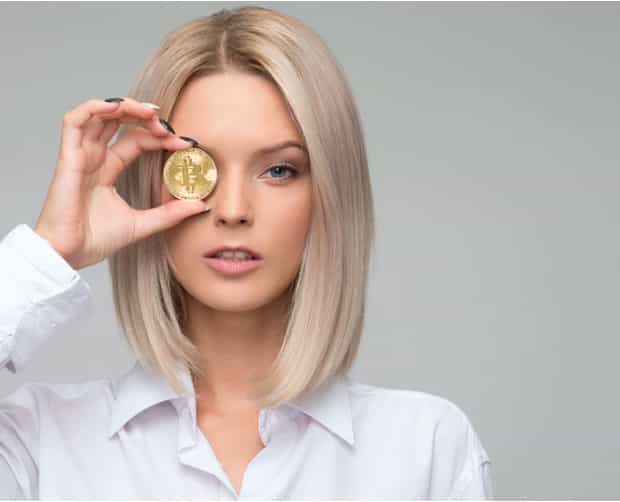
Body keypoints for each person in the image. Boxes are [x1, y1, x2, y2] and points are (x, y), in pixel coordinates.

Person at [0, 6, 493, 499]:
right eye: (195, 166)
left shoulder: (425, 449)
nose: (232, 211)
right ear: (150, 182)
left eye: (279, 170)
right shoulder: (36, 443)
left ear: (330, 194)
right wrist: (48, 250)